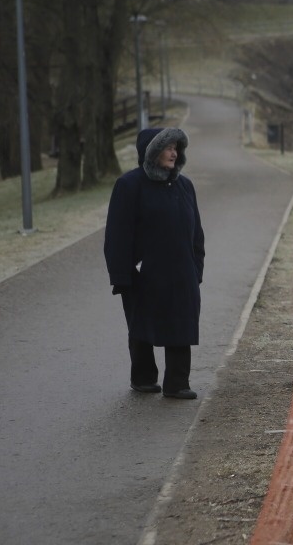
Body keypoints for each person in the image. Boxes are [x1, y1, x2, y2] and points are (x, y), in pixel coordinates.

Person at [104, 127, 205, 400]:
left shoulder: (185, 186)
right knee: (142, 325)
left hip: (182, 272)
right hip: (143, 272)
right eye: (168, 147)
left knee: (182, 324)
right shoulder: (129, 185)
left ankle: (177, 383)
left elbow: (196, 233)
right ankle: (143, 378)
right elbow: (117, 234)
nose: (174, 152)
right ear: (151, 152)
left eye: (176, 148)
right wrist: (121, 275)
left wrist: (196, 268)